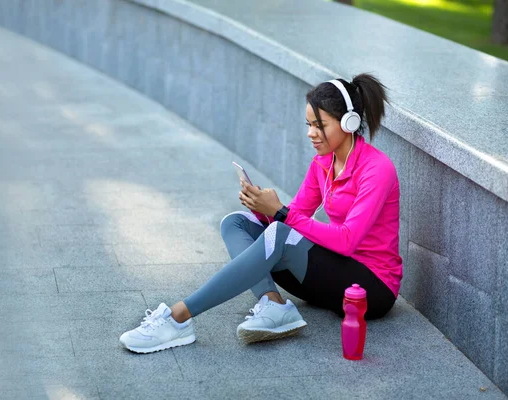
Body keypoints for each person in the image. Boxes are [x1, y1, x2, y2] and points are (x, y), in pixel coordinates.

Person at [119, 73, 403, 354]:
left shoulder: (377, 169)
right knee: (237, 223)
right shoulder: (323, 163)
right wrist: (264, 209)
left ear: (348, 123)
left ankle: (177, 318)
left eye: (320, 125)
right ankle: (273, 304)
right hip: (332, 276)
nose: (310, 133)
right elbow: (299, 213)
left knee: (279, 232)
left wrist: (280, 213)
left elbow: (346, 240)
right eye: (308, 125)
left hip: (372, 289)